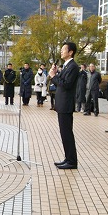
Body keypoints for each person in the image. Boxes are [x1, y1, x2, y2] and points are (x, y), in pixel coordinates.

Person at [49, 42, 79, 170]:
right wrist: (56, 73)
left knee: (67, 133)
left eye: (63, 50)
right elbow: (60, 82)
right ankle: (68, 158)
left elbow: (65, 84)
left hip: (66, 104)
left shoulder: (73, 66)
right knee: (64, 133)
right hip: (62, 103)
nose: (61, 52)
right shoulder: (66, 66)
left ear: (70, 52)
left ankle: (72, 161)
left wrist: (53, 76)